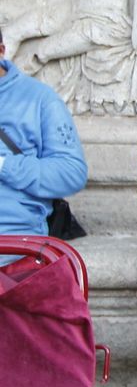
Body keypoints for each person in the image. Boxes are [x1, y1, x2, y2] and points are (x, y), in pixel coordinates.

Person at [0, 27, 88, 236]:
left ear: (1, 51)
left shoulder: (40, 99)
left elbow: (71, 172)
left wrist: (3, 164)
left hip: (12, 238)